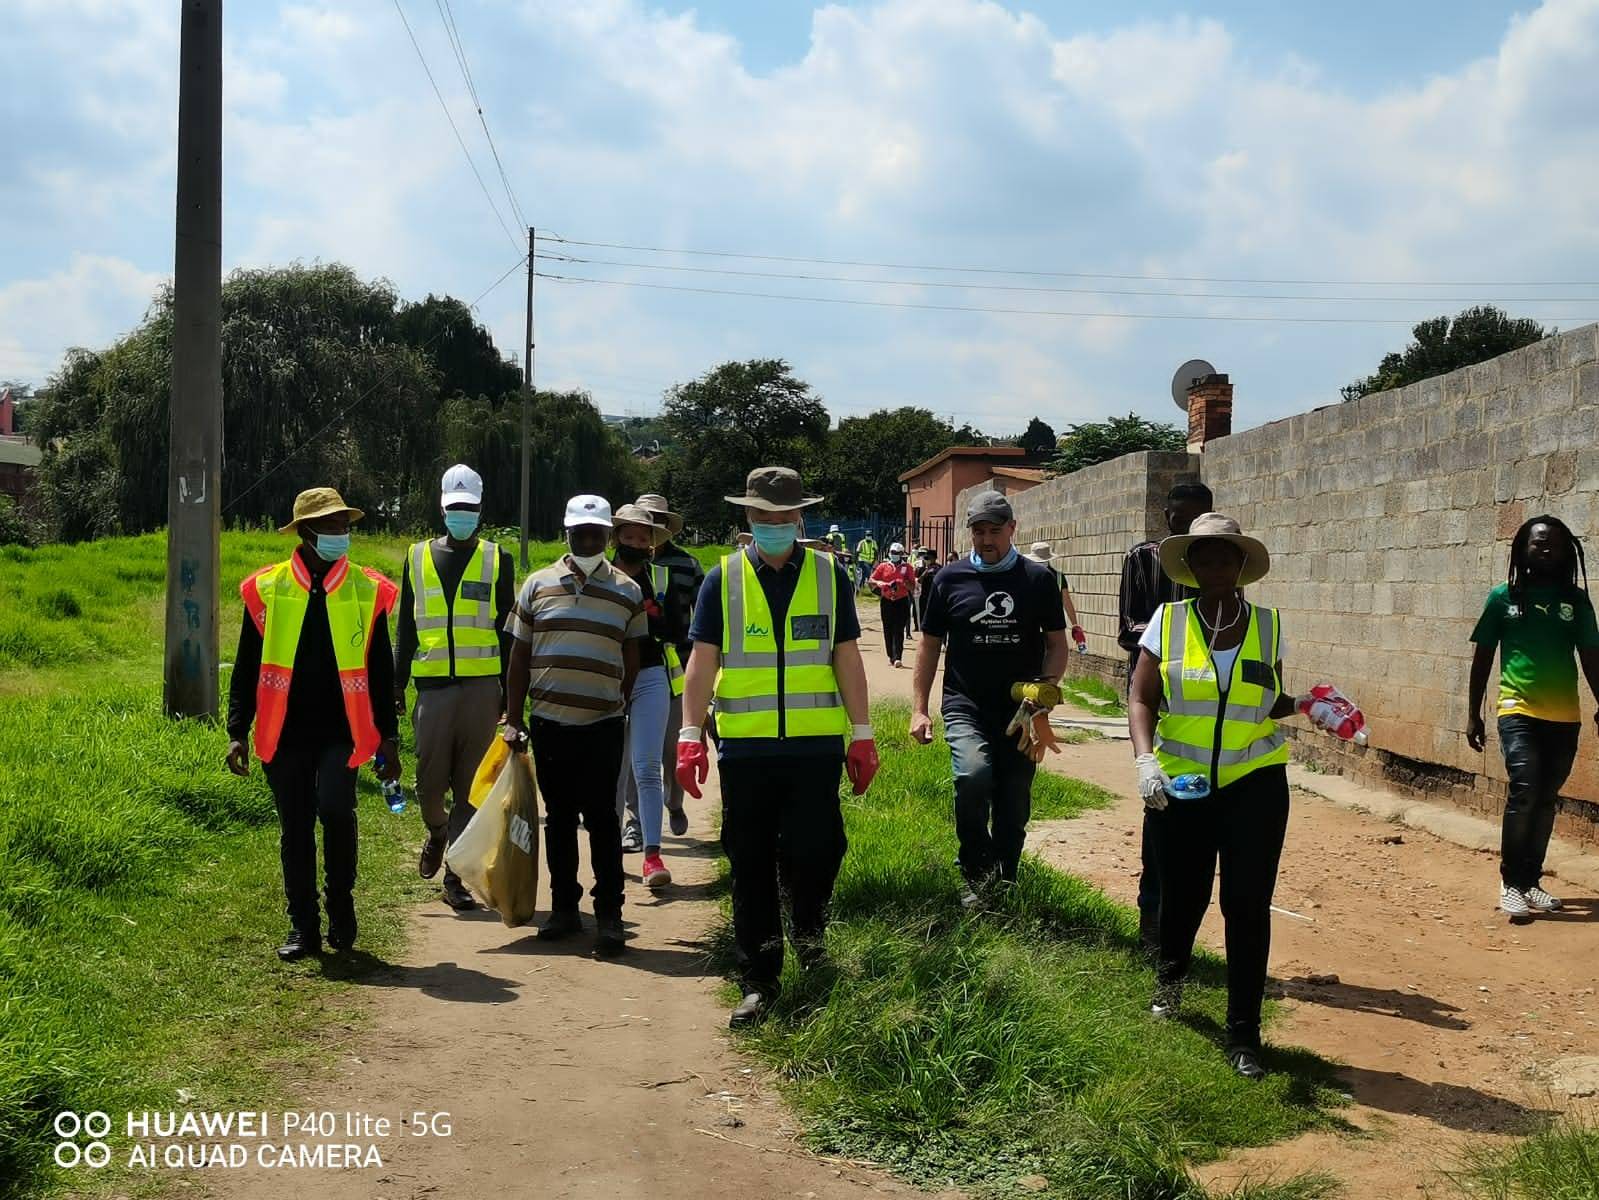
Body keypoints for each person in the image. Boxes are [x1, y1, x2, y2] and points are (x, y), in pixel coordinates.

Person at [676, 467, 878, 1027]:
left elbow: (846, 659)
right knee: (751, 863)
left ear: (799, 518)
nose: (772, 526)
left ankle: (810, 936)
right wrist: (690, 735)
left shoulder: (828, 575)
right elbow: (701, 664)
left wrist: (862, 734)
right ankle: (759, 978)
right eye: (762, 517)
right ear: (748, 518)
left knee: (820, 850)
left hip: (815, 747)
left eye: (782, 517)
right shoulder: (723, 580)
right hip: (747, 749)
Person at [1128, 512, 1320, 1080]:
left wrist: (1310, 704)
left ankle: (1243, 1035)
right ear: (1190, 568)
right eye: (1204, 557)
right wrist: (1144, 761)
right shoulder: (1167, 621)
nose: (1215, 566)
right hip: (1181, 786)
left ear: (1241, 566)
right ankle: (1171, 977)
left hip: (1255, 785)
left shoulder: (1268, 624)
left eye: (1225, 556)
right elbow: (1141, 698)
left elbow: (1266, 700)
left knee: (1246, 905)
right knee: (1183, 898)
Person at [226, 488, 399, 961]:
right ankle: (304, 927)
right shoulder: (266, 588)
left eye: (345, 525)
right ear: (305, 532)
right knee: (295, 828)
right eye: (331, 526)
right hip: (285, 731)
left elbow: (381, 668)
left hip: (343, 729)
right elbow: (245, 664)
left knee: (338, 811)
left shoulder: (368, 589)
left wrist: (390, 737)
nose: (341, 534)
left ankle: (341, 909)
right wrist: (236, 730)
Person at [503, 495, 645, 957]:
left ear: (607, 535)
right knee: (559, 819)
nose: (587, 539)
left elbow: (633, 655)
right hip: (549, 724)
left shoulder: (628, 590)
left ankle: (610, 916)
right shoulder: (537, 585)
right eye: (579, 532)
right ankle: (565, 908)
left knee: (602, 819)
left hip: (602, 725)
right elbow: (519, 655)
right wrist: (513, 715)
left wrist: (617, 701)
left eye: (595, 532)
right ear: (567, 533)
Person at [911, 491, 1068, 905]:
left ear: (1012, 529)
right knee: (973, 776)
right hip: (966, 704)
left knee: (1014, 797)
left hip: (1021, 711)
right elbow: (929, 646)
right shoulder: (949, 579)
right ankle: (975, 872)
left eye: (994, 531)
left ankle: (1006, 878)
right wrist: (919, 709)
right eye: (978, 531)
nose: (985, 540)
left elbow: (1056, 642)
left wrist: (1045, 691)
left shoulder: (1038, 580)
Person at [394, 464, 515, 913]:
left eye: (468, 508)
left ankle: (454, 876)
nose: (461, 514)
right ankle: (437, 830)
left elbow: (508, 630)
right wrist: (395, 685)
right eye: (454, 508)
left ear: (480, 509)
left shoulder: (496, 558)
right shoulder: (416, 556)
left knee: (469, 787)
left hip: (482, 688)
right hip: (433, 688)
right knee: (428, 784)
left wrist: (509, 693)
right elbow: (405, 627)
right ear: (442, 509)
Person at [1467, 516, 1599, 920]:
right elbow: (1483, 657)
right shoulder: (1503, 598)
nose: (1545, 549)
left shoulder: (1575, 601)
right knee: (1524, 788)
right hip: (1516, 708)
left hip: (1564, 716)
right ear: (1522, 548)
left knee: (1545, 799)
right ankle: (1509, 883)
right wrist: (1473, 713)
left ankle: (1530, 882)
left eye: (1554, 544)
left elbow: (1590, 656)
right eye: (1538, 542)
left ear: (1565, 552)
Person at [1116, 480, 1213, 953]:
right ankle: (1151, 917)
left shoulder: (1218, 571)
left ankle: (1179, 924)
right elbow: (1128, 627)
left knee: (1199, 820)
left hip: (1206, 710)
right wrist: (1168, 636)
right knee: (1161, 811)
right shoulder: (1142, 559)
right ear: (1167, 518)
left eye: (1194, 519)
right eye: (1178, 518)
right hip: (1156, 697)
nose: (1184, 526)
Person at [615, 492, 702, 852]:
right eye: (633, 531)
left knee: (670, 750)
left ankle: (675, 801)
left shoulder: (685, 567)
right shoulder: (608, 573)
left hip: (673, 670)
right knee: (638, 758)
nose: (640, 538)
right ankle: (635, 825)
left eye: (651, 525)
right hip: (626, 676)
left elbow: (696, 625)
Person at [609, 503, 687, 890]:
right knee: (611, 768)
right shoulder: (598, 576)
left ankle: (653, 857)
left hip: (652, 676)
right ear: (616, 537)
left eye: (643, 537)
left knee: (646, 767)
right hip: (607, 679)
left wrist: (655, 617)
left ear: (653, 543)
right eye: (628, 536)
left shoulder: (661, 578)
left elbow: (678, 629)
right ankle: (608, 854)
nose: (635, 542)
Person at [1024, 541, 1087, 653]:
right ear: (1048, 558)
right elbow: (1067, 602)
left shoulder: (1027, 575)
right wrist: (1075, 625)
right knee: (1053, 655)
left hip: (1032, 623)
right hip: (1054, 624)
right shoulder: (1058, 576)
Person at [868, 541, 917, 668]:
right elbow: (871, 580)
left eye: (897, 553)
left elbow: (912, 586)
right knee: (888, 629)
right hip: (887, 601)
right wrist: (880, 583)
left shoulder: (907, 567)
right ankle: (891, 655)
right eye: (892, 552)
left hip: (901, 601)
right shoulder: (883, 566)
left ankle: (898, 657)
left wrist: (903, 582)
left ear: (901, 554)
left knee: (899, 629)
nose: (894, 555)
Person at [915, 547, 939, 632]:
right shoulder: (922, 569)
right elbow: (918, 580)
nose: (927, 560)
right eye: (926, 558)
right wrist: (925, 572)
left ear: (934, 558)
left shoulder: (938, 569)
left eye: (929, 558)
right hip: (924, 596)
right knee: (923, 617)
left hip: (935, 597)